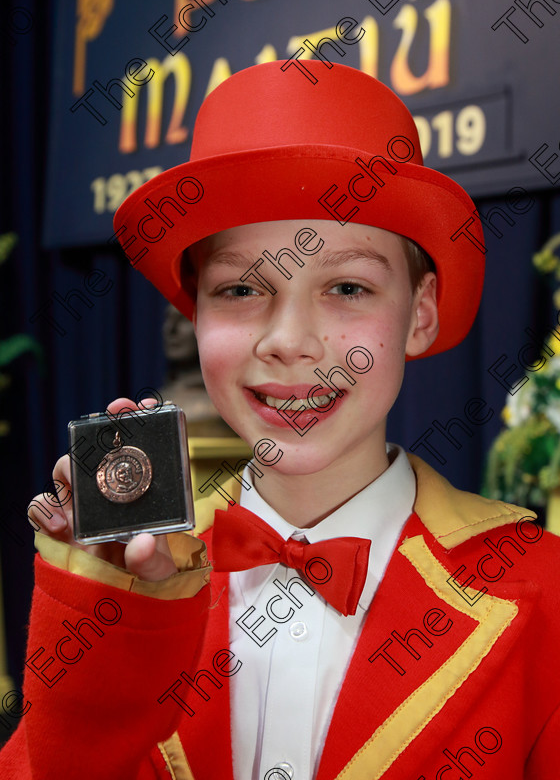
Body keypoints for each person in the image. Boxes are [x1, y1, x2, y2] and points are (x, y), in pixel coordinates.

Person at [1, 60, 559, 780]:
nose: (289, 340)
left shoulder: (543, 593)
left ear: (419, 314)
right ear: (194, 315)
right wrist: (94, 684)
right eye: (240, 288)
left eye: (348, 286)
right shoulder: (122, 583)